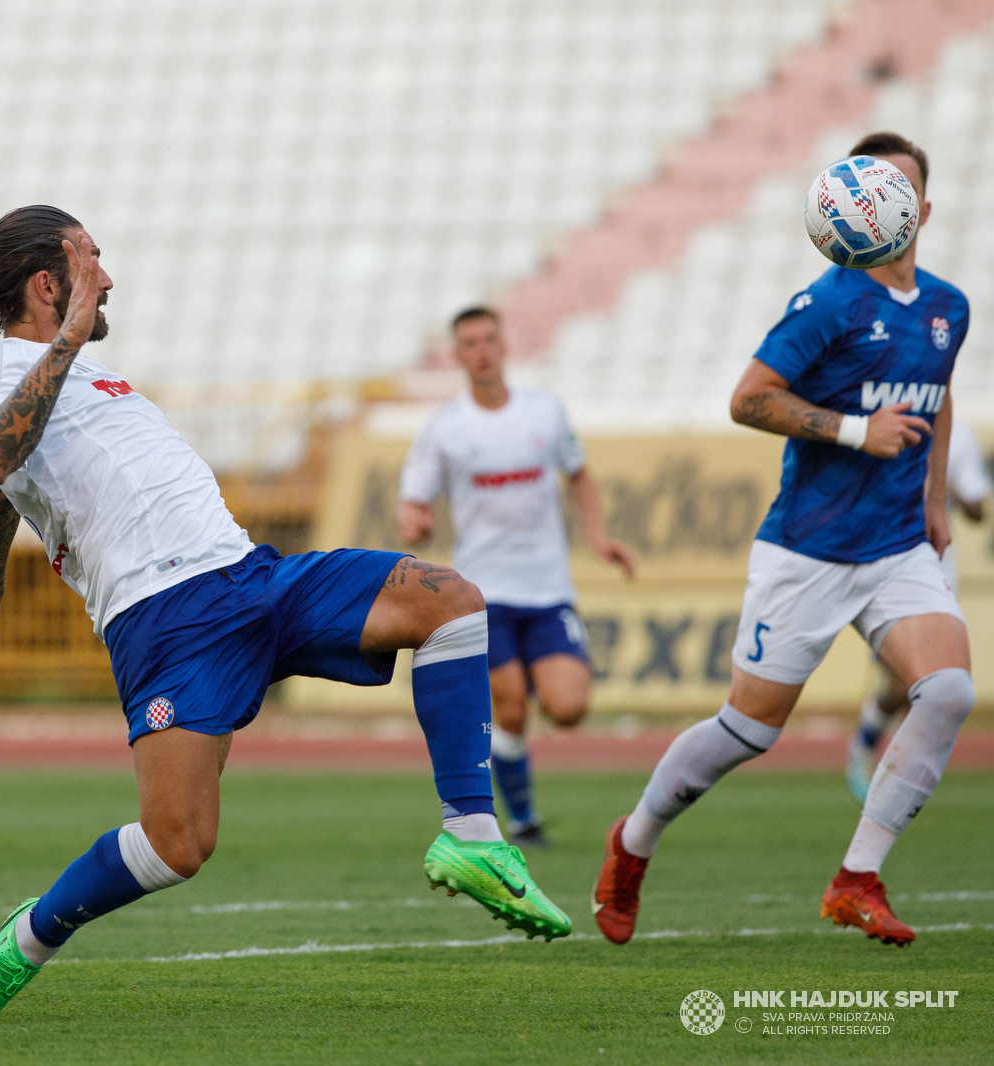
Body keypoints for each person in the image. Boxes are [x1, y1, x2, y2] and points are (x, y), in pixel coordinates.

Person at [0, 206, 573, 1025]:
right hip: (166, 619)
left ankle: (472, 835)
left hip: (250, 575)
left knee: (448, 602)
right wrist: (70, 336)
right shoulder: (3, 366)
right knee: (177, 845)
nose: (108, 278)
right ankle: (29, 938)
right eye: (92, 263)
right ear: (50, 285)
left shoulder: (76, 375)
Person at [592, 132, 970, 949]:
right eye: (863, 188)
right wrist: (852, 429)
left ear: (923, 209)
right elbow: (749, 399)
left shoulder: (949, 307)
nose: (878, 202)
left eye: (895, 189)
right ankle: (633, 843)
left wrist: (935, 505)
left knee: (947, 691)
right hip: (809, 548)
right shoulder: (830, 304)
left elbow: (939, 406)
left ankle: (856, 879)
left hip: (899, 544)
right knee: (750, 731)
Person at [397, 307, 635, 847]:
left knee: (569, 708)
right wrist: (414, 519)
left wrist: (598, 537)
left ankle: (519, 800)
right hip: (484, 592)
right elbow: (412, 498)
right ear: (457, 355)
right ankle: (523, 821)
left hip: (548, 589)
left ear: (503, 346)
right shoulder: (444, 429)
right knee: (509, 706)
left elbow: (580, 473)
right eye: (469, 342)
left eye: (488, 339)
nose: (481, 349)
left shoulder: (545, 412)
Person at [847, 418, 988, 801]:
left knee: (934, 687)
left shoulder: (958, 437)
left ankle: (892, 772)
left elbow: (978, 511)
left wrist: (944, 482)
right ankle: (865, 747)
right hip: (884, 569)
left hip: (937, 574)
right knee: (904, 685)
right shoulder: (884, 420)